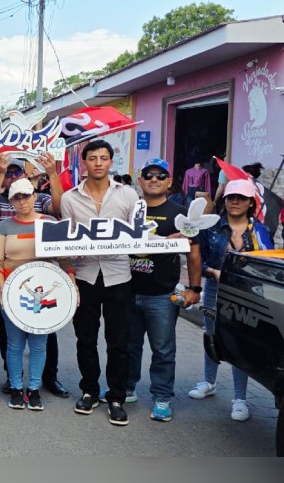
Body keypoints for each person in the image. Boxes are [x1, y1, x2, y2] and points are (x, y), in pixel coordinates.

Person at [111, 158, 202, 422]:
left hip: (162, 294)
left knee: (163, 350)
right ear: (139, 180)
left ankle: (162, 398)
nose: (154, 179)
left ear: (169, 182)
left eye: (160, 176)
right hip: (125, 290)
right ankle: (127, 388)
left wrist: (195, 288)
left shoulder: (180, 214)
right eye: (148, 175)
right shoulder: (128, 210)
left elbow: (194, 253)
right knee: (128, 346)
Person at [60, 139, 138, 426]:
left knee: (119, 341)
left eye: (103, 158)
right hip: (85, 276)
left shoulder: (128, 195)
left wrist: (169, 240)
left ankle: (116, 396)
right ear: (84, 162)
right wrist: (70, 261)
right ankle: (89, 391)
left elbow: (138, 234)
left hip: (119, 275)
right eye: (92, 158)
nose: (98, 163)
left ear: (110, 161)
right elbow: (65, 241)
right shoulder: (70, 198)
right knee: (85, 339)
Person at [0, 152, 69, 399]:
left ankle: (48, 378)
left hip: (41, 279)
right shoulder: (0, 199)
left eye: (15, 172)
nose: (11, 176)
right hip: (7, 276)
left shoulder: (40, 200)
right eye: (7, 173)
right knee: (8, 335)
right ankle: (14, 378)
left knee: (45, 333)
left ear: (26, 176)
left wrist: (52, 174)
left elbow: (61, 207)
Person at [188, 178, 273, 421]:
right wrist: (213, 272)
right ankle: (208, 381)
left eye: (241, 198)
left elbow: (266, 263)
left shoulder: (259, 231)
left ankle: (239, 398)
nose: (235, 202)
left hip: (246, 293)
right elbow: (198, 260)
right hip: (215, 288)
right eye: (231, 197)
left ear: (250, 203)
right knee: (211, 335)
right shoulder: (211, 228)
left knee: (240, 342)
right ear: (225, 201)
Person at [0, 178, 75, 412]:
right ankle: (17, 389)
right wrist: (2, 289)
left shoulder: (49, 222)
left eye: (26, 196)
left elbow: (64, 258)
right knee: (15, 344)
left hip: (43, 291)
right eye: (16, 197)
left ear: (35, 197)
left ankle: (35, 389)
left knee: (39, 345)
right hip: (13, 294)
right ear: (11, 201)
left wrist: (72, 284)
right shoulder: (5, 226)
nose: (22, 201)